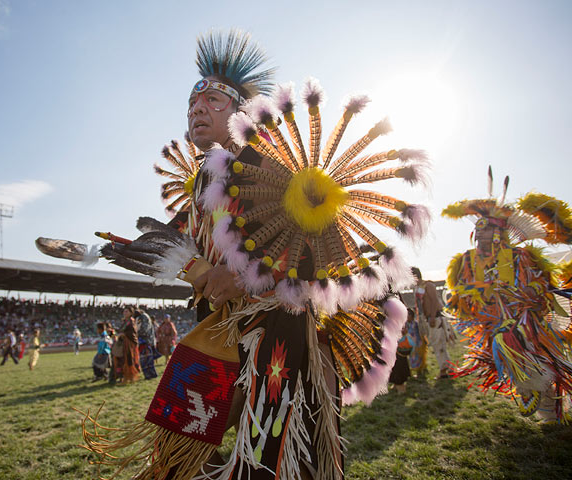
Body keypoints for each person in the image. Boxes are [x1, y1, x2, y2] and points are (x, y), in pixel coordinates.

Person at [81, 29, 428, 479]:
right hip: (218, 332)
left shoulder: (269, 165)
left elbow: (327, 248)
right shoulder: (203, 181)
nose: (197, 109)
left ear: (241, 111)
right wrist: (125, 250)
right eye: (191, 102)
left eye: (212, 101)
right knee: (176, 451)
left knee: (274, 462)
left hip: (279, 339)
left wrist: (245, 278)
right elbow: (175, 243)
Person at [443, 171, 572, 423]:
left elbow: (541, 286)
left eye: (486, 232)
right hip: (494, 325)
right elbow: (461, 294)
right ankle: (540, 400)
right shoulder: (467, 261)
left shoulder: (520, 257)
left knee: (539, 362)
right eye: (477, 233)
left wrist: (524, 294)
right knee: (515, 362)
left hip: (527, 323)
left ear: (498, 234)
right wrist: (465, 298)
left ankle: (550, 409)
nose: (480, 237)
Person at [411, 267, 455, 379]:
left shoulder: (428, 285)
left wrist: (432, 317)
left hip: (435, 318)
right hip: (428, 318)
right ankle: (447, 368)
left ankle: (444, 370)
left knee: (439, 344)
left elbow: (435, 301)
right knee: (438, 344)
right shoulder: (418, 287)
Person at [389, 309, 416, 393]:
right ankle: (396, 382)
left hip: (397, 338)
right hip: (390, 335)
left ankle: (400, 384)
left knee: (398, 361)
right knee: (392, 362)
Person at [120, 307, 141, 384]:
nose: (125, 313)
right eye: (124, 311)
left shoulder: (131, 321)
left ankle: (131, 377)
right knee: (125, 359)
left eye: (126, 311)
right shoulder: (125, 321)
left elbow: (132, 332)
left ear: (131, 313)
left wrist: (124, 334)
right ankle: (126, 377)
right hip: (125, 342)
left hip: (130, 343)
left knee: (130, 359)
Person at [137, 310, 158, 380]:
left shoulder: (143, 317)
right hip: (147, 341)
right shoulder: (144, 317)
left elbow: (144, 330)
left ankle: (149, 375)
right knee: (148, 359)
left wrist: (137, 333)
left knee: (145, 359)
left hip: (145, 341)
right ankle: (151, 374)